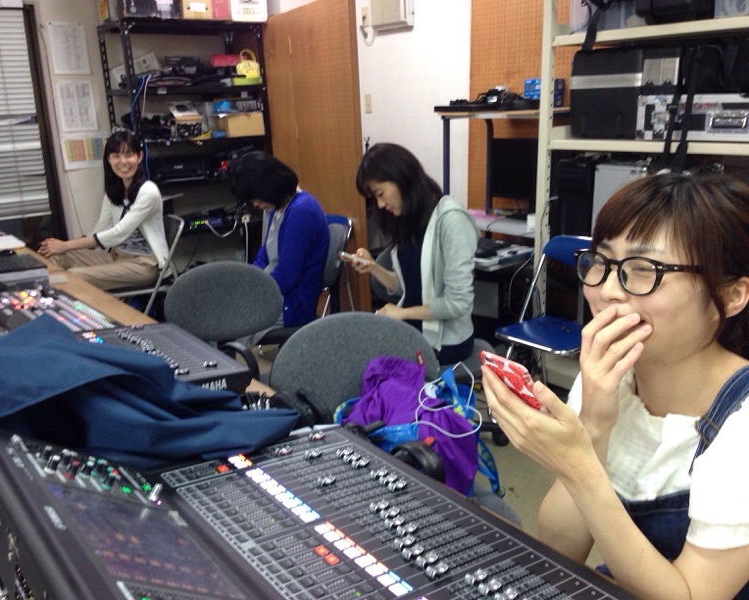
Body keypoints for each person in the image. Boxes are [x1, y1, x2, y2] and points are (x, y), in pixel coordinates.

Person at [482, 171, 749, 600]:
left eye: (644, 270)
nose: (606, 291)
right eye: (601, 262)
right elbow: (559, 552)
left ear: (731, 296)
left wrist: (579, 465)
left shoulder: (740, 428)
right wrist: (593, 425)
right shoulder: (610, 378)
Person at [346, 143, 479, 364]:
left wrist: (403, 313)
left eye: (381, 194)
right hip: (411, 330)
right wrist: (374, 268)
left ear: (401, 178)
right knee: (354, 348)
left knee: (365, 362)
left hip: (444, 341)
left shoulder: (451, 220)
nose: (380, 204)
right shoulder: (409, 219)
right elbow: (406, 288)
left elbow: (457, 303)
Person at [37, 130, 168, 291]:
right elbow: (100, 230)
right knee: (57, 257)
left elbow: (117, 233)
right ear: (109, 159)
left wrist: (65, 245)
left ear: (139, 157)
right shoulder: (114, 192)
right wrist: (58, 247)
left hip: (145, 264)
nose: (123, 161)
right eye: (116, 156)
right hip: (117, 256)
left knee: (73, 277)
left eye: (128, 155)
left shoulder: (149, 192)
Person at [228, 151, 329, 330]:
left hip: (292, 305)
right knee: (222, 307)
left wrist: (250, 293)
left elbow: (287, 277)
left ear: (269, 185)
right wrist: (246, 283)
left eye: (256, 197)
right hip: (275, 293)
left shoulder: (301, 211)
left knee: (224, 320)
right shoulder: (277, 209)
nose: (255, 204)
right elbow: (263, 259)